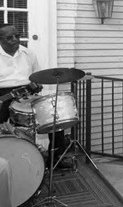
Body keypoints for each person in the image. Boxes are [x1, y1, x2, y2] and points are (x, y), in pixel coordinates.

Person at [0, 23, 71, 169]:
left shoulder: (28, 54)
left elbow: (37, 76)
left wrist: (36, 84)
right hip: (4, 94)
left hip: (27, 92)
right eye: (9, 37)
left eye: (17, 36)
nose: (15, 39)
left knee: (54, 115)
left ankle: (56, 159)